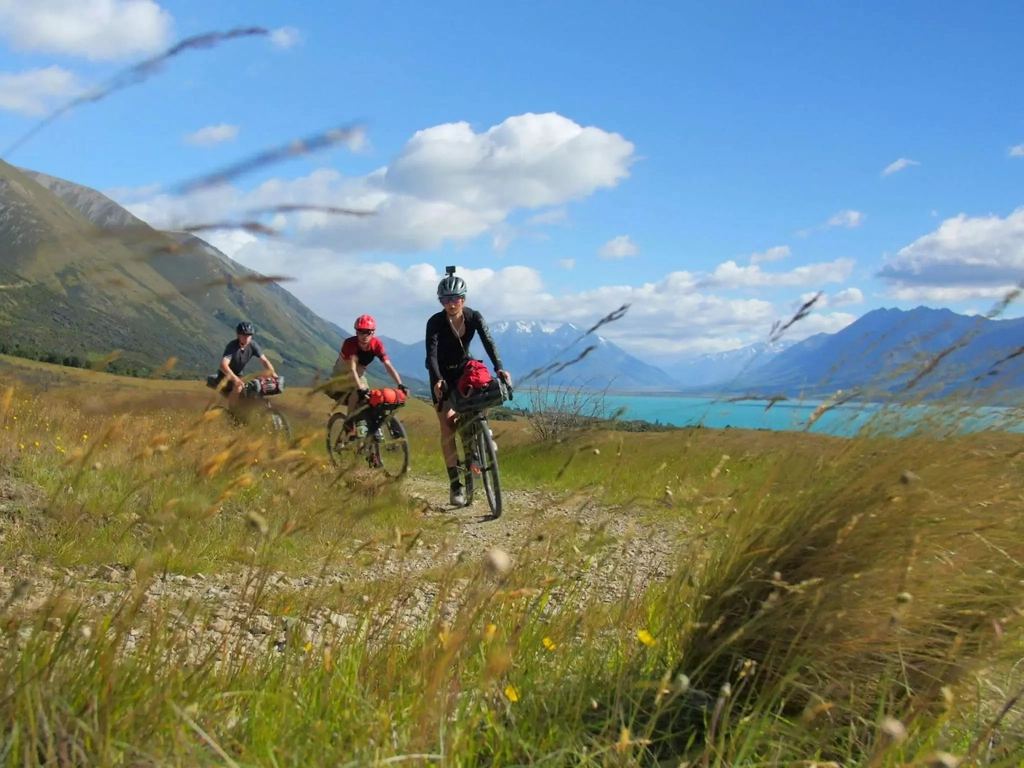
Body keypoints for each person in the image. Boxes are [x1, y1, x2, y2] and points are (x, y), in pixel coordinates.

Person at [425, 266, 511, 507]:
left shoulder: (474, 317)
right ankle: (456, 486)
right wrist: (438, 379)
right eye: (446, 300)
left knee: (484, 387)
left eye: (456, 299)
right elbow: (431, 354)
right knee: (447, 425)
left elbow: (489, 342)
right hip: (440, 372)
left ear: (463, 299)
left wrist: (499, 367)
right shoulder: (435, 322)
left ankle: (484, 432)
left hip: (463, 366)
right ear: (441, 301)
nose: (451, 304)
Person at [329, 314, 408, 437]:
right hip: (342, 373)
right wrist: (359, 388)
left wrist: (400, 384)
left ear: (373, 332)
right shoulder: (350, 343)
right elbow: (352, 369)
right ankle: (349, 423)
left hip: (359, 373)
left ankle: (370, 443)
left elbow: (387, 365)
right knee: (357, 390)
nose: (364, 335)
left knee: (372, 399)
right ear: (356, 332)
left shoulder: (377, 344)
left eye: (368, 332)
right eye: (361, 332)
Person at [214, 321, 277, 409]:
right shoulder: (232, 346)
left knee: (254, 389)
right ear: (238, 335)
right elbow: (223, 365)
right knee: (238, 387)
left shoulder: (252, 345)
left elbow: (264, 360)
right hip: (225, 377)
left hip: (240, 376)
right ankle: (232, 412)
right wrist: (235, 379)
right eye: (244, 335)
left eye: (249, 335)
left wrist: (273, 374)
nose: (247, 338)